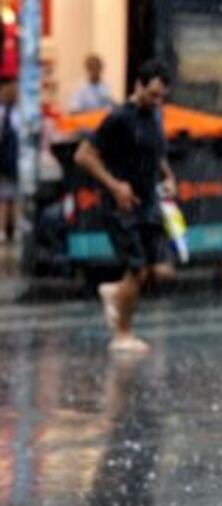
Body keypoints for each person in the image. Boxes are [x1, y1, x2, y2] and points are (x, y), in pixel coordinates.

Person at [74, 59, 175, 353]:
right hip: (122, 205)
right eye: (152, 94)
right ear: (138, 86)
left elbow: (158, 155)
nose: (157, 101)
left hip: (149, 203)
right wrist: (115, 185)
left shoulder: (155, 117)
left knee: (160, 270)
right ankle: (122, 333)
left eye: (161, 96)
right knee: (139, 270)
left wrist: (168, 177)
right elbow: (84, 155)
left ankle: (115, 291)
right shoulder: (119, 117)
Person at [0, 77, 18, 243]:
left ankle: (11, 229)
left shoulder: (18, 113)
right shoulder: (5, 113)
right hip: (5, 160)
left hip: (14, 160)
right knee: (5, 196)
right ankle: (4, 230)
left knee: (12, 196)